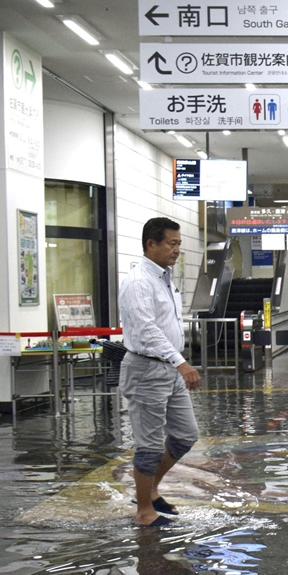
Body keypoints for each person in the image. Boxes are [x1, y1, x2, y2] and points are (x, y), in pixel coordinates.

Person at [119, 217, 201, 527]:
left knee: (185, 436)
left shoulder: (164, 278)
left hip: (168, 367)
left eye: (179, 244)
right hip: (147, 369)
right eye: (172, 243)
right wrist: (181, 362)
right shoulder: (140, 280)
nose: (177, 249)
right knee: (150, 445)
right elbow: (146, 330)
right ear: (151, 244)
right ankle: (143, 512)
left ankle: (151, 490)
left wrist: (177, 362)